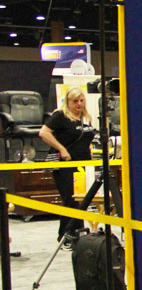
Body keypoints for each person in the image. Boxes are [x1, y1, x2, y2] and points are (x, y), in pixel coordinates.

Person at [39, 86, 95, 245]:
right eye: (75, 101)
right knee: (70, 199)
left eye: (82, 101)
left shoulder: (86, 118)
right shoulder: (61, 116)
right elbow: (43, 133)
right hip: (65, 164)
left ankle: (76, 233)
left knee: (81, 201)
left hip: (85, 164)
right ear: (68, 102)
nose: (79, 104)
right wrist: (62, 148)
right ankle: (66, 235)